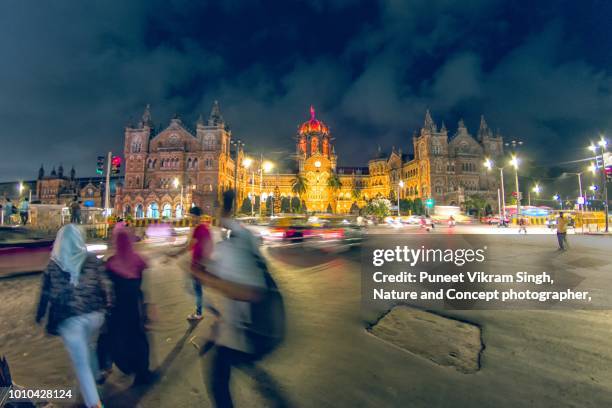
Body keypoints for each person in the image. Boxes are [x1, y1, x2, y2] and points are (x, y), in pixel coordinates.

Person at [192, 190, 285, 408]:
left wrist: (205, 277)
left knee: (219, 377)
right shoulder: (246, 237)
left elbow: (249, 293)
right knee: (233, 363)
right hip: (270, 325)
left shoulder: (227, 251)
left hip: (254, 331)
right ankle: (266, 386)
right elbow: (227, 221)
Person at [35, 224, 111, 408]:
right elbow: (105, 286)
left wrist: (40, 314)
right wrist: (108, 307)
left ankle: (94, 404)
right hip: (95, 316)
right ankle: (97, 377)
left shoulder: (54, 264)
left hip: (70, 320)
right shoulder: (92, 259)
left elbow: (46, 293)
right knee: (89, 346)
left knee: (81, 363)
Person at [104, 223, 156, 385]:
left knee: (116, 340)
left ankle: (125, 367)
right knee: (139, 340)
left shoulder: (111, 263)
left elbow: (106, 290)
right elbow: (144, 286)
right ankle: (142, 372)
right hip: (135, 308)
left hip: (117, 310)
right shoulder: (138, 260)